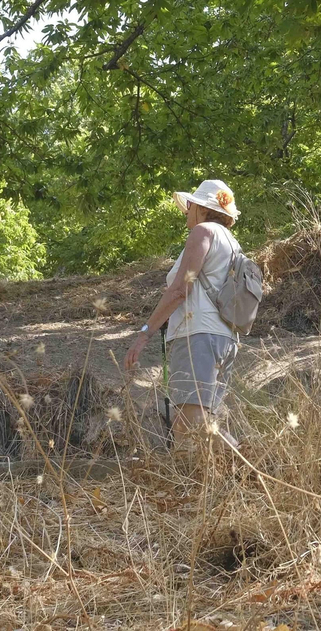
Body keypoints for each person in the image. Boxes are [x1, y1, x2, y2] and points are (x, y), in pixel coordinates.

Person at [124, 178, 244, 446]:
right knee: (191, 425)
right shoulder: (232, 242)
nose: (187, 209)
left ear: (201, 207)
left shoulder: (203, 232)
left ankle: (255, 471)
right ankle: (219, 482)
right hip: (223, 338)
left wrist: (145, 333)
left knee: (193, 424)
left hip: (197, 336)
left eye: (191, 205)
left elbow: (180, 289)